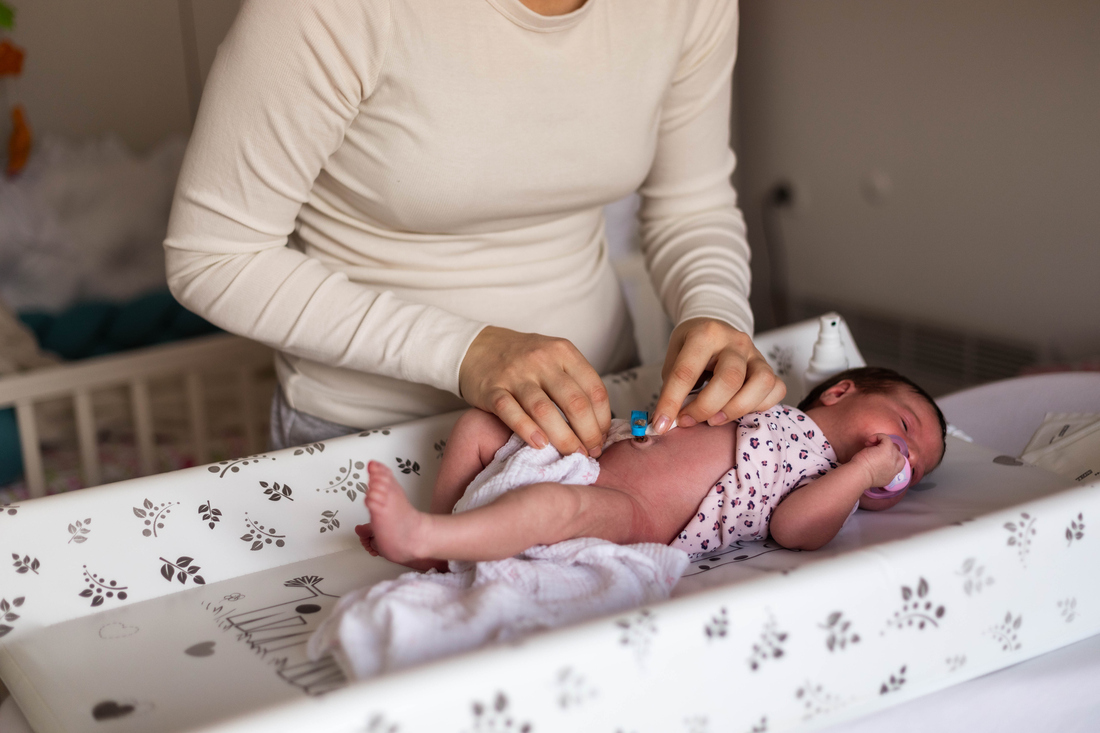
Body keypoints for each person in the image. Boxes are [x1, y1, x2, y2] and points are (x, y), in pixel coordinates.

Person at [163, 0, 784, 458]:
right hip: (370, 436)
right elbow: (215, 258)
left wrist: (715, 311)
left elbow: (691, 205)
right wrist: (470, 351)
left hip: (603, 408)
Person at [357, 367, 948, 568]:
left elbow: (797, 529)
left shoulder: (828, 481)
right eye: (905, 427)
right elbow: (686, 410)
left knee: (552, 510)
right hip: (589, 452)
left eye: (913, 468)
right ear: (842, 392)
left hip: (635, 512)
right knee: (478, 425)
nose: (904, 456)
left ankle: (433, 536)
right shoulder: (767, 401)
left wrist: (862, 473)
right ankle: (438, 540)